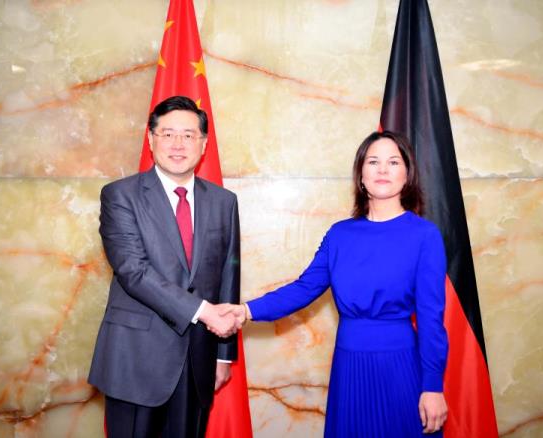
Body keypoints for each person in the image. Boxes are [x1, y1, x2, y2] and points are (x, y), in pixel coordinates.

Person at [223, 131, 449, 437]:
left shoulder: (425, 235)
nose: (383, 169)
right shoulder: (339, 234)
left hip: (400, 367)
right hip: (349, 366)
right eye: (373, 162)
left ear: (407, 174)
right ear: (361, 176)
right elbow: (304, 288)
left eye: (393, 162)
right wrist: (246, 310)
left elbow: (431, 318)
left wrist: (433, 386)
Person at [88, 95, 241, 438]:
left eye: (188, 135)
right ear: (151, 138)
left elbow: (228, 277)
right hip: (136, 359)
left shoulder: (224, 202)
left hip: (198, 360)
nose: (177, 144)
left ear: (203, 144)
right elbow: (133, 271)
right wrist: (204, 311)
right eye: (168, 134)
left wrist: (223, 355)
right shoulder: (120, 196)